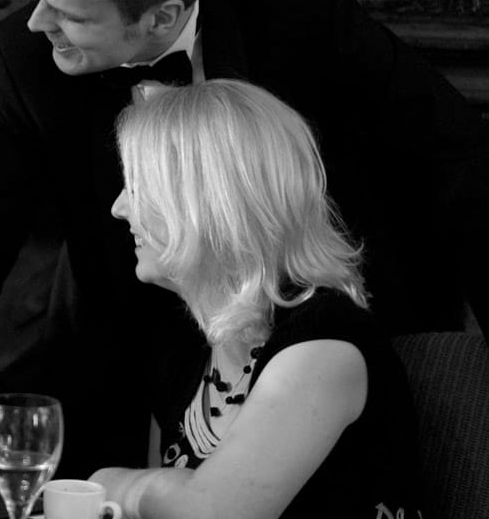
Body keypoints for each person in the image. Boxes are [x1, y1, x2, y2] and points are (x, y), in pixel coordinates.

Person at [0, 0, 489, 477]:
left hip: (309, 325)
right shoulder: (24, 61)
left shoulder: (303, 16)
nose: (37, 22)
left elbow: (456, 161)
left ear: (161, 16)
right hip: (127, 332)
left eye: (72, 16)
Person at [94, 79, 423, 518]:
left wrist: (112, 484)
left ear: (207, 201)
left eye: (137, 188)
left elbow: (210, 514)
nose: (119, 208)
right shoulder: (184, 348)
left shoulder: (324, 342)